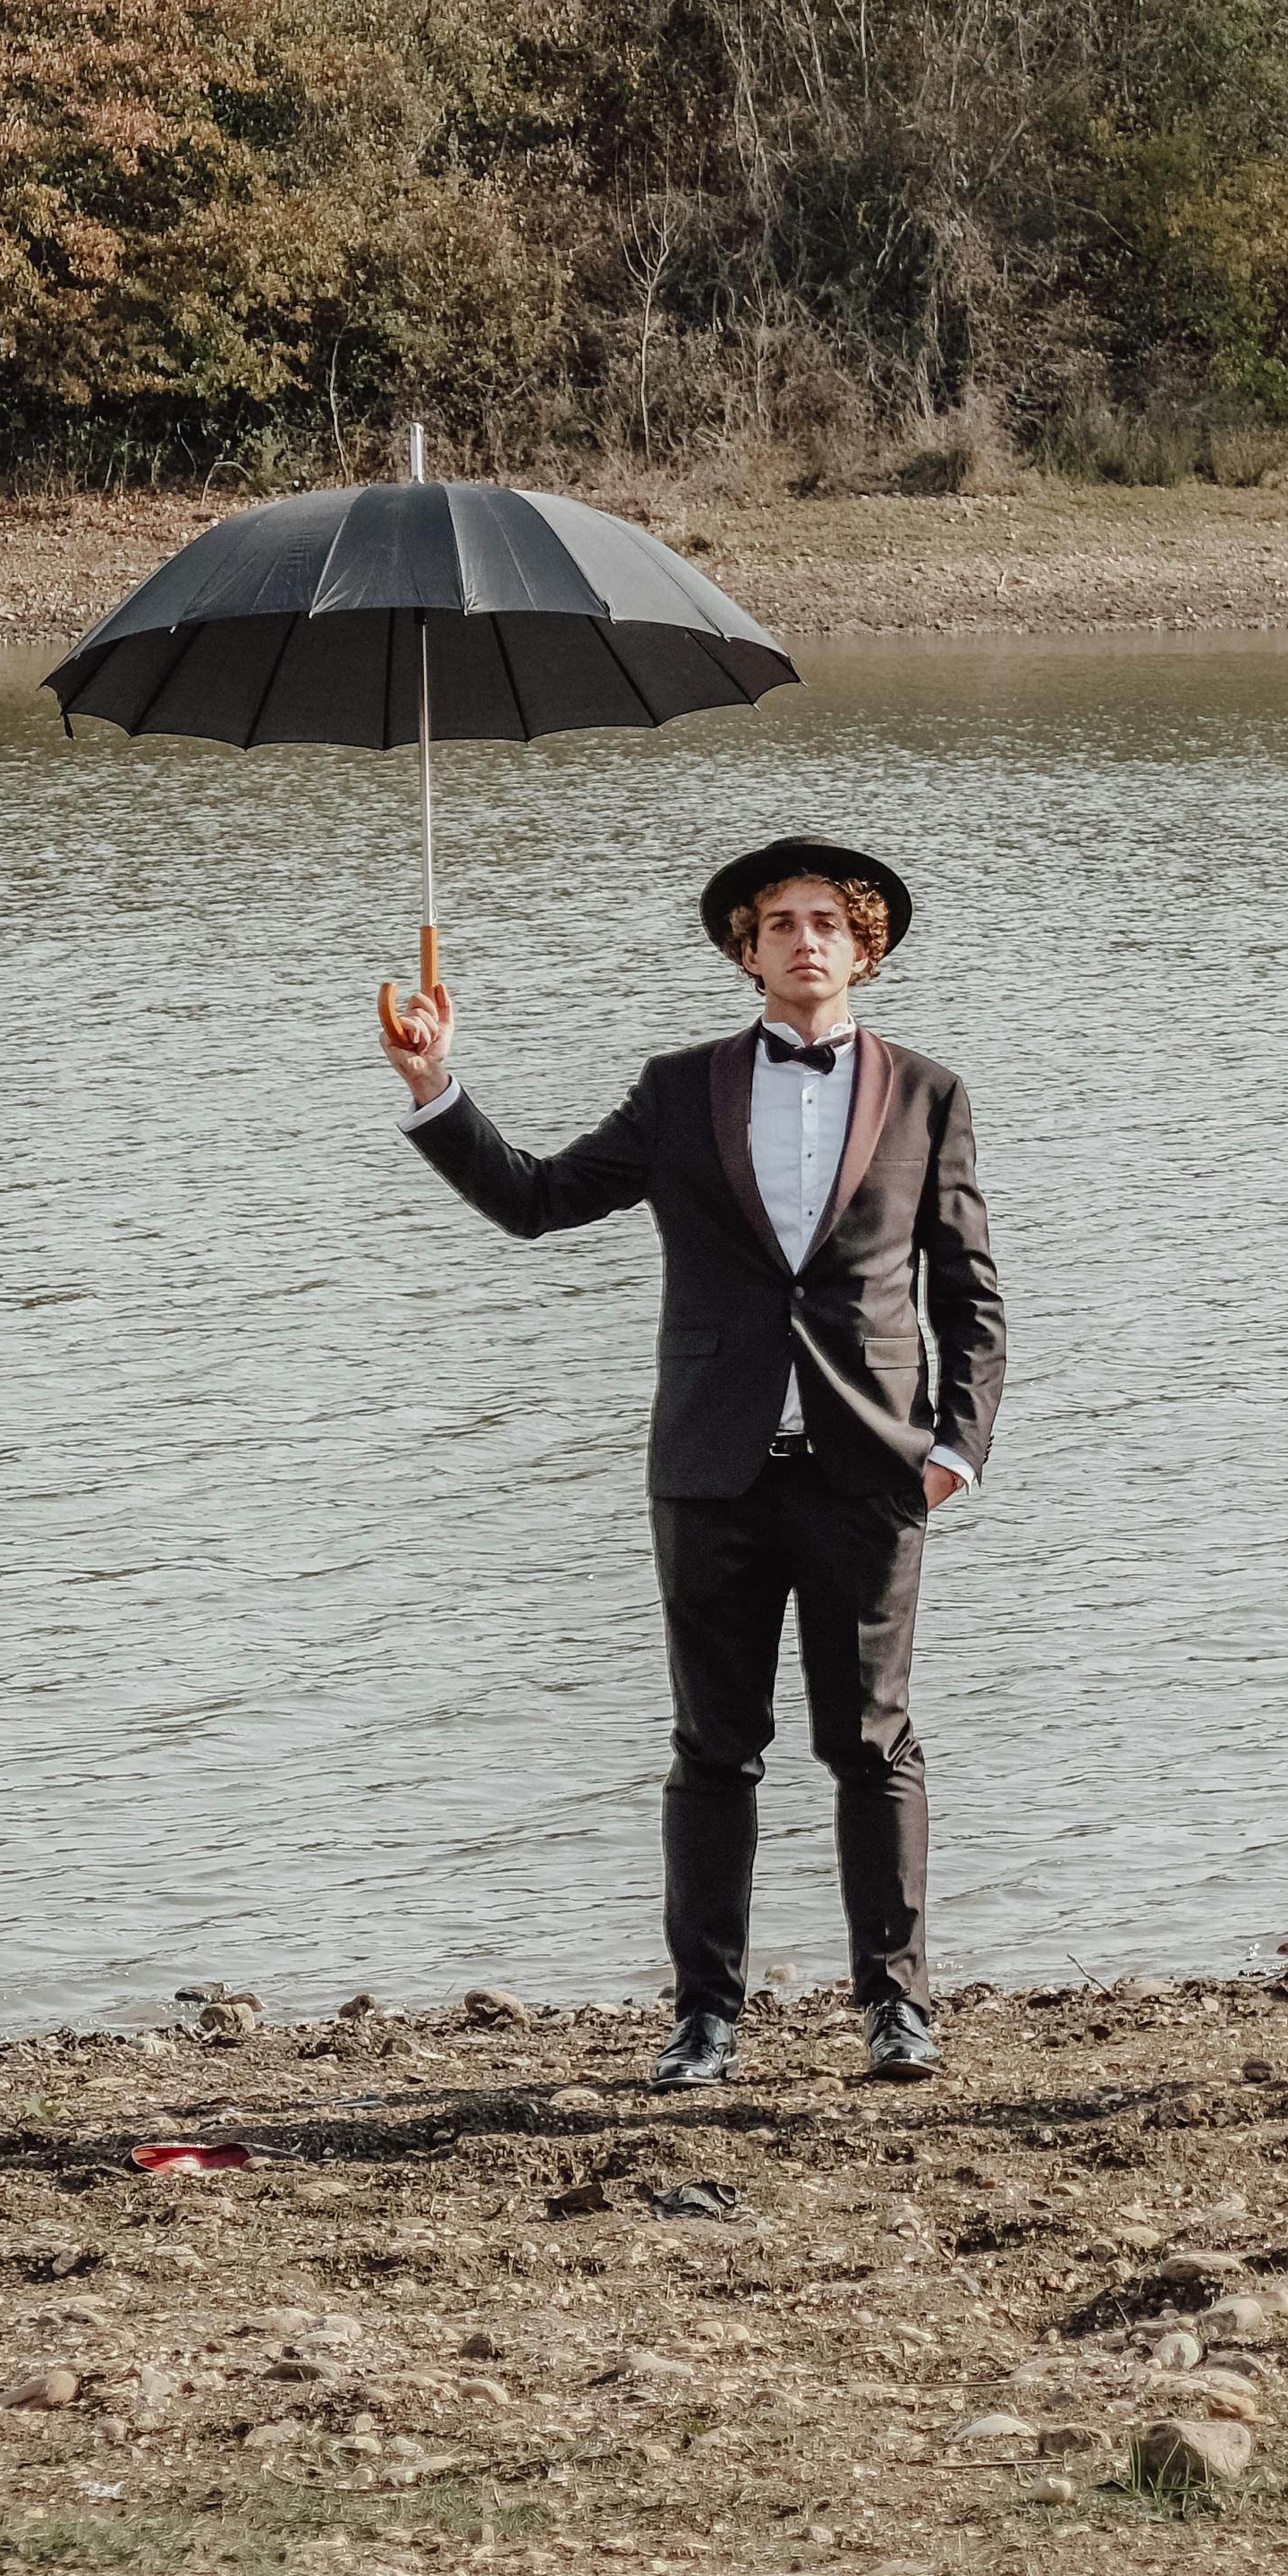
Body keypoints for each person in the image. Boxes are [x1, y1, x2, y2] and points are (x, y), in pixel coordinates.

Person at [377, 839, 1004, 2090]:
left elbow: (968, 1288)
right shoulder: (680, 1090)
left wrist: (957, 1448)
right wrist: (436, 1084)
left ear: (864, 944)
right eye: (779, 922)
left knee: (871, 1743)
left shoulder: (929, 1091)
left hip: (869, 1467)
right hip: (711, 1467)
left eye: (829, 920)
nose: (805, 939)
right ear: (747, 949)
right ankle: (703, 2020)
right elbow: (539, 1200)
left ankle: (897, 2011)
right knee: (714, 1748)